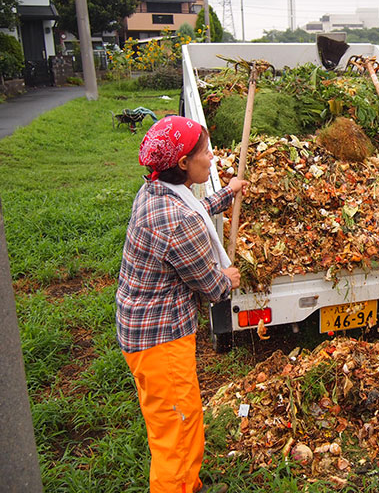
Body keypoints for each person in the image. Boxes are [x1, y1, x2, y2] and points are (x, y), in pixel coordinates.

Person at [116, 115, 248, 493]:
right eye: (204, 151)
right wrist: (229, 278)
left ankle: (191, 485)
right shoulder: (178, 220)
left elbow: (193, 210)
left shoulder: (157, 190)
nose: (211, 156)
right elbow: (212, 287)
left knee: (185, 417)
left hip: (145, 329)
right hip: (160, 340)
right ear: (182, 164)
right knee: (174, 431)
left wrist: (227, 193)